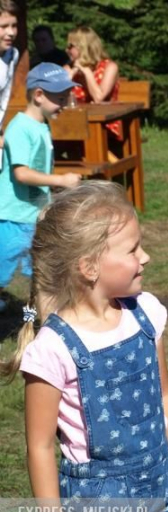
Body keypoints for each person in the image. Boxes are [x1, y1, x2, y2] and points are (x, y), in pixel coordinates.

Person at [1, 181, 168, 512]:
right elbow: (41, 447)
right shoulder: (53, 349)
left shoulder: (146, 315)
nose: (145, 257)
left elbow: (165, 396)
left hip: (160, 483)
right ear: (89, 267)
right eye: (133, 249)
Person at [0, 63, 81, 313]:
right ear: (38, 96)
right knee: (4, 271)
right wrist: (61, 181)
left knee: (44, 272)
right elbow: (21, 173)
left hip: (33, 214)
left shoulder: (40, 125)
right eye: (59, 97)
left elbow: (37, 168)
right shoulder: (22, 128)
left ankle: (46, 322)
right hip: (13, 216)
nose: (65, 103)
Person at [65, 26, 122, 140]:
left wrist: (87, 72)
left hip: (105, 125)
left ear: (83, 47)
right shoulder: (67, 69)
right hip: (73, 125)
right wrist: (69, 78)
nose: (67, 50)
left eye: (70, 46)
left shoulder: (109, 67)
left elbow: (98, 98)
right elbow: (55, 100)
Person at [0, 0, 19, 144]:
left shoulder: (12, 54)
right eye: (4, 26)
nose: (11, 32)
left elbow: (4, 98)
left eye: (14, 26)